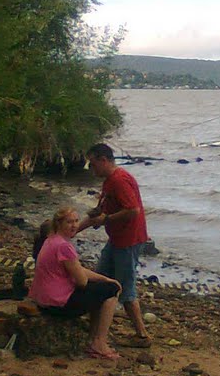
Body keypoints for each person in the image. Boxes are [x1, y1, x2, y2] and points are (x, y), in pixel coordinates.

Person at [78, 143, 151, 347]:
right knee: (100, 280)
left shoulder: (119, 180)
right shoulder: (109, 182)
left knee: (125, 288)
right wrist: (73, 230)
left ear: (103, 160)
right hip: (116, 239)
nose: (92, 169)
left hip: (128, 240)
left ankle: (142, 335)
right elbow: (100, 212)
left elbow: (133, 210)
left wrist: (106, 219)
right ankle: (94, 325)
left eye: (93, 165)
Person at [29, 207, 122, 360]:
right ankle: (99, 341)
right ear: (59, 224)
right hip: (58, 303)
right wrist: (108, 283)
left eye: (76, 221)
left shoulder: (50, 240)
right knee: (112, 290)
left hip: (43, 300)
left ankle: (92, 339)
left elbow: (76, 268)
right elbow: (82, 281)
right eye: (69, 222)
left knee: (104, 287)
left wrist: (104, 278)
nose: (74, 226)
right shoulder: (64, 246)